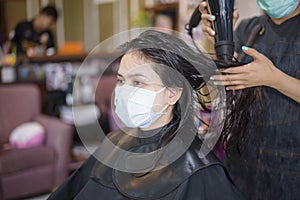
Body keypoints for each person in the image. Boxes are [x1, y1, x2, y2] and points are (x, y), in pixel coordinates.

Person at [48, 30, 243, 199]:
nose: (123, 91)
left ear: (172, 93)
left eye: (138, 83)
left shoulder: (200, 170)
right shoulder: (114, 142)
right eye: (121, 80)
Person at [199, 0, 300, 199]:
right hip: (242, 165)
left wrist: (275, 79)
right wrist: (220, 40)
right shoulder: (248, 29)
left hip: (292, 171)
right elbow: (224, 85)